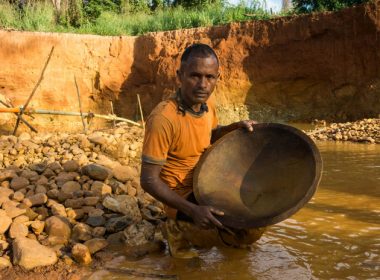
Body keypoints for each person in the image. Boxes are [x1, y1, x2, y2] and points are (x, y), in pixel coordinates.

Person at [140, 43, 264, 258]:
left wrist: (235, 127)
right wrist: (192, 211)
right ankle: (177, 230)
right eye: (195, 76)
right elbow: (148, 180)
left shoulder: (207, 103)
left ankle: (222, 240)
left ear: (217, 77)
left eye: (210, 77)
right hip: (181, 194)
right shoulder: (163, 118)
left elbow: (211, 133)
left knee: (256, 212)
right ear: (180, 76)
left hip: (205, 182)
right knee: (235, 227)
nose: (202, 84)